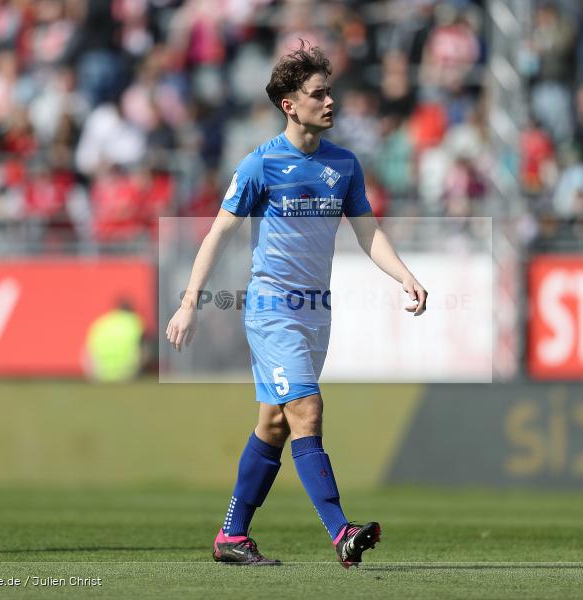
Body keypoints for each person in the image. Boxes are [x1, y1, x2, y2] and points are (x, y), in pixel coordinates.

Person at [165, 41, 427, 568]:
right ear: (290, 105)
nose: (330, 102)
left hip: (316, 313)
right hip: (271, 309)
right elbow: (218, 234)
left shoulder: (344, 165)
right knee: (307, 409)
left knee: (275, 424)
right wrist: (189, 302)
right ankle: (341, 532)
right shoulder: (261, 164)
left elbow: (367, 232)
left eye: (330, 91)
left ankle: (231, 536)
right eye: (318, 94)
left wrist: (405, 276)